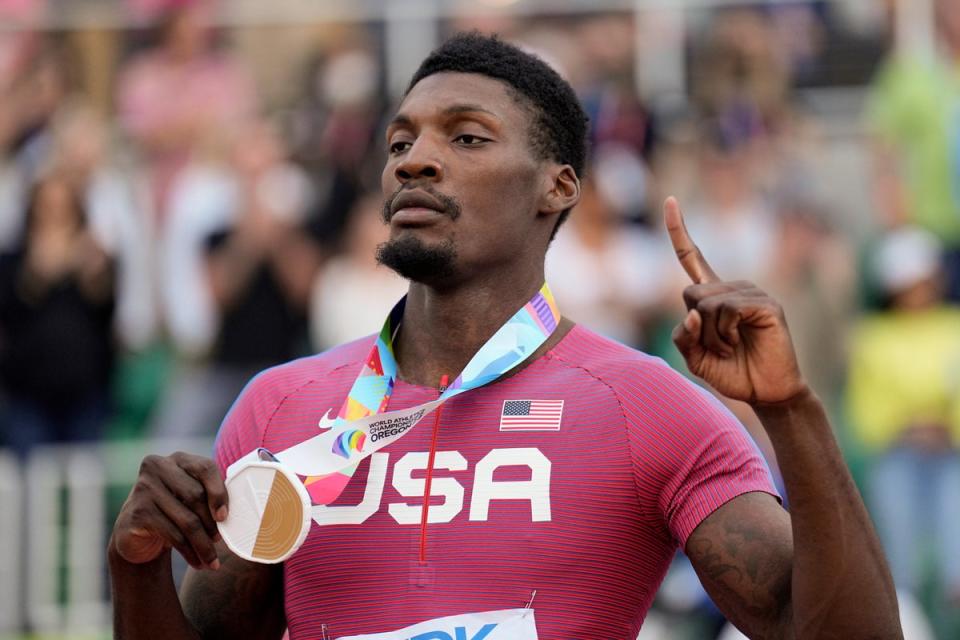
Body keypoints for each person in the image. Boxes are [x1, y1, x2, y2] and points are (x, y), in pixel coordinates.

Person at [108, 33, 900, 639]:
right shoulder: (280, 406)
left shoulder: (647, 408)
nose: (416, 160)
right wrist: (136, 567)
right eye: (400, 143)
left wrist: (792, 411)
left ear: (558, 186)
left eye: (467, 138)